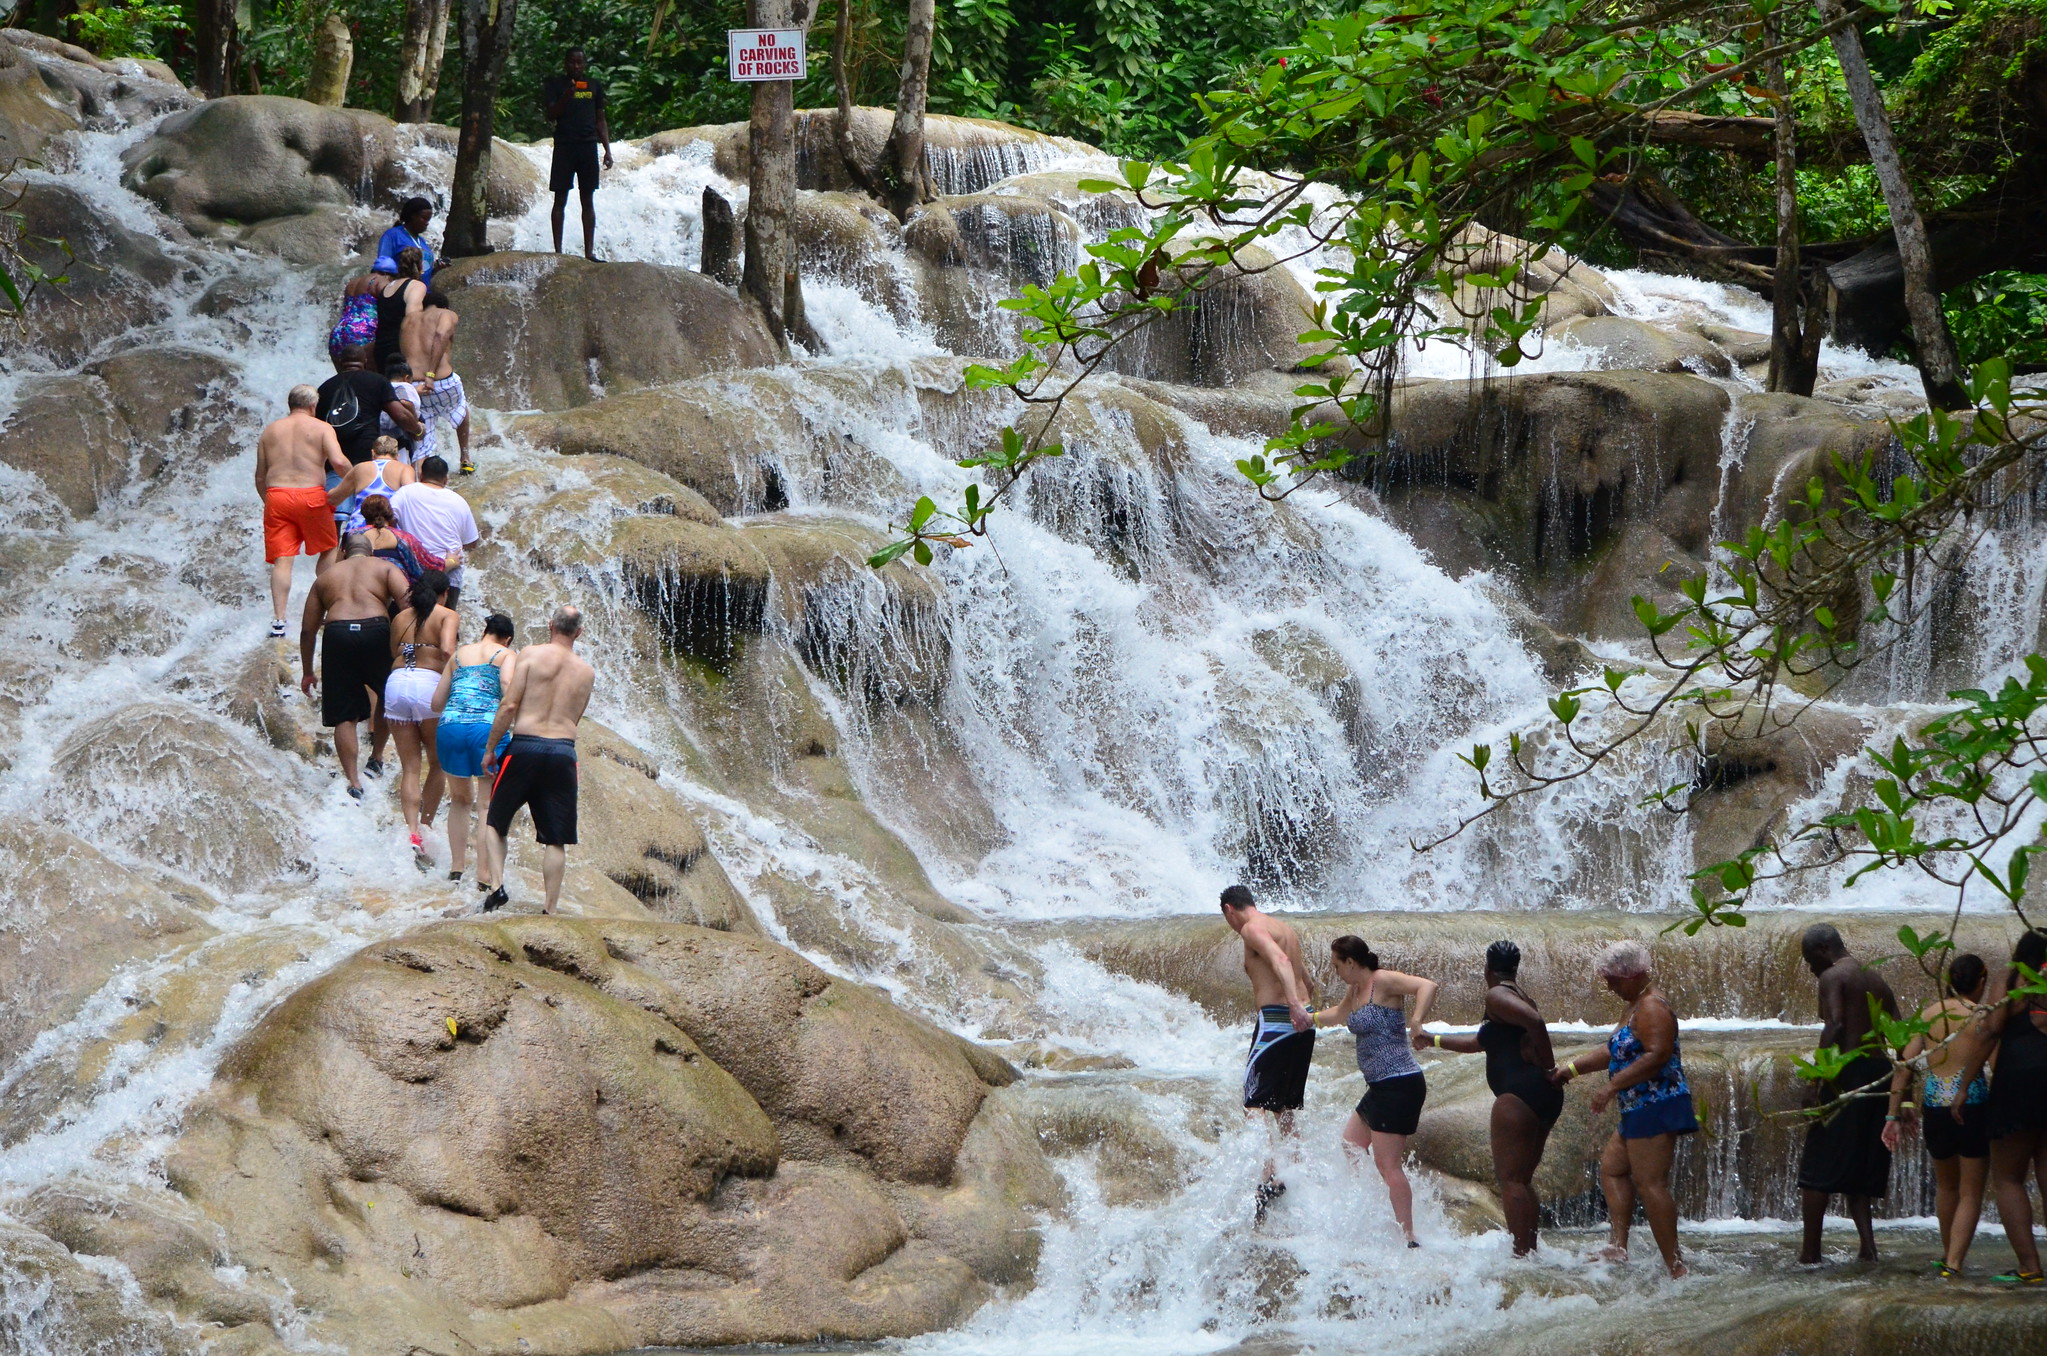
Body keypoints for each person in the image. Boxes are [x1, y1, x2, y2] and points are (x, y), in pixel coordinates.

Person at [1551, 940, 1697, 1278]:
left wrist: (1612, 1086)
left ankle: (1676, 1266)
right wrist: (1571, 1069)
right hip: (1638, 1106)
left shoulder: (1652, 1008)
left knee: (1650, 1184)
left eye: (1613, 979)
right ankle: (1618, 1245)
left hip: (1657, 1104)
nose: (1609, 986)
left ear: (1633, 975)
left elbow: (1657, 1054)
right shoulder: (1634, 1006)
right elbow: (1613, 1050)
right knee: (1613, 1168)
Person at [1418, 940, 1561, 1257]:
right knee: (1521, 1179)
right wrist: (1434, 1039)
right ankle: (1530, 1252)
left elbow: (1536, 1024)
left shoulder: (1496, 995)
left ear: (1487, 968)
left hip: (1519, 1095)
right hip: (1539, 1093)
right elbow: (1482, 1042)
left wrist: (1550, 1067)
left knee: (1510, 1181)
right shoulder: (1519, 997)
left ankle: (1520, 1255)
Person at [1310, 935, 1436, 1246]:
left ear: (1351, 963)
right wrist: (1307, 1018)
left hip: (1399, 1083)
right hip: (1379, 1087)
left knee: (1388, 1165)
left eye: (1337, 965)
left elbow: (1427, 986)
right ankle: (1372, 1206)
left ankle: (1408, 1237)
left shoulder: (1382, 981)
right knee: (1351, 1143)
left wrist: (1416, 1022)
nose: (1336, 971)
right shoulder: (1354, 990)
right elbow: (1339, 1016)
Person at [1884, 952, 1996, 1278]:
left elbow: (1904, 1067)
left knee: (1946, 1187)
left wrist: (1892, 1114)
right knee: (1970, 1191)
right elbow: (1998, 1065)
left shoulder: (1929, 1014)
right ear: (1981, 980)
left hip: (1934, 1104)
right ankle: (1955, 1262)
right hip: (1972, 1103)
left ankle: (1948, 1254)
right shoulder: (1983, 1016)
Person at [1794, 922, 1900, 1265]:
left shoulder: (1833, 976)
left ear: (1825, 949)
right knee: (1858, 1166)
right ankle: (1869, 1249)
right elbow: (1899, 1033)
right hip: (1880, 1073)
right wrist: (1905, 1093)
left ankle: (1810, 1255)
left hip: (1846, 1072)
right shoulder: (1875, 978)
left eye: (1810, 960)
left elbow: (1836, 1024)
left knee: (1816, 1169)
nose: (1811, 969)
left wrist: (1816, 1081)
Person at [481, 604, 594, 914]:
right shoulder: (587, 672)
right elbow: (576, 717)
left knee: (495, 821)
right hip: (562, 751)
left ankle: (497, 887)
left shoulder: (530, 654)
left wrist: (491, 749)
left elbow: (509, 705)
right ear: (579, 632)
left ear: (550, 626)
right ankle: (550, 909)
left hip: (525, 746)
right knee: (556, 839)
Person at [1953, 930, 2047, 1284]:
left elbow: (1990, 1031)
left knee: (2008, 1177)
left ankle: (2030, 1267)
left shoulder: (2011, 980)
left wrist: (1963, 1087)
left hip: (2018, 1081)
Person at [1218, 884, 1315, 1218]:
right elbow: (1303, 974)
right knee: (1283, 1105)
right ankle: (1298, 1169)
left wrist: (1292, 1006)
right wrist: (1306, 1004)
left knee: (1253, 1102)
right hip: (1303, 1020)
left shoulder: (1250, 928)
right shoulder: (1282, 927)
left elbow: (1281, 960)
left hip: (1278, 1020)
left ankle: (1271, 1174)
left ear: (1230, 909)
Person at [299, 534, 409, 799]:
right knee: (387, 696)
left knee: (344, 714)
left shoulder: (326, 577)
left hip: (338, 633)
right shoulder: (385, 567)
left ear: (342, 551)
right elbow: (408, 606)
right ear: (371, 552)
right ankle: (377, 757)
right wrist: (409, 649)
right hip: (376, 630)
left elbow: (307, 630)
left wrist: (307, 671)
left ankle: (353, 781)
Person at [256, 385, 348, 638]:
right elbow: (339, 463)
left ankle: (279, 621)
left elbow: (261, 476)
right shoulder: (322, 428)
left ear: (290, 404)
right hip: (311, 496)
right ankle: (330, 608)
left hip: (277, 497)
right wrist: (355, 480)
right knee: (329, 548)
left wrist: (271, 502)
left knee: (283, 560)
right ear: (313, 406)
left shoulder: (270, 431)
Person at [432, 612, 516, 888]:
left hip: (450, 726)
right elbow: (506, 687)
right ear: (508, 638)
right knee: (486, 805)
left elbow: (436, 702)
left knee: (459, 800)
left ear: (485, 631)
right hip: (486, 730)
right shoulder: (505, 654)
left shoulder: (457, 655)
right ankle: (483, 875)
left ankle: (456, 870)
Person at [386, 569, 458, 868]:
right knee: (438, 763)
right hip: (428, 686)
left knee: (410, 767)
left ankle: (412, 833)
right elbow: (447, 650)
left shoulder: (400, 617)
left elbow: (393, 652)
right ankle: (426, 827)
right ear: (443, 593)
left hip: (398, 683)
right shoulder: (447, 614)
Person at [542, 49, 613, 260]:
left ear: (585, 65)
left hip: (588, 146)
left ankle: (589, 252)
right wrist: (565, 96)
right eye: (572, 62)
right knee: (560, 198)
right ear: (565, 63)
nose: (576, 66)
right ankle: (558, 252)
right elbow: (551, 115)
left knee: (587, 199)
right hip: (564, 146)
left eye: (579, 63)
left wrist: (608, 150)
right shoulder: (555, 85)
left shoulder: (594, 86)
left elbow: (600, 120)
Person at [391, 456, 479, 609]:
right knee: (445, 622)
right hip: (449, 573)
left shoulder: (405, 493)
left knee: (411, 623)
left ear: (421, 475)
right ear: (446, 479)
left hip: (415, 570)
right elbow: (471, 542)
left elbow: (388, 518)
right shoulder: (459, 501)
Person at [318, 350, 423, 467]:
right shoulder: (377, 380)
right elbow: (400, 415)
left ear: (339, 362)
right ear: (365, 361)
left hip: (335, 458)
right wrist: (418, 430)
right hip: (367, 454)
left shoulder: (324, 388)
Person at [406, 291, 473, 473]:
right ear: (444, 306)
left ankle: (419, 475)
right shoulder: (446, 314)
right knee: (461, 408)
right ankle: (465, 457)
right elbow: (441, 335)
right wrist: (430, 374)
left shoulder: (408, 320)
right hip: (441, 382)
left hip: (414, 388)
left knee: (421, 438)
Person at [330, 435, 416, 534]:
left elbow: (334, 498)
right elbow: (411, 499)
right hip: (390, 530)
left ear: (373, 453)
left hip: (359, 528)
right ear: (397, 456)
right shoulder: (404, 469)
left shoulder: (360, 468)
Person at [356, 493, 445, 583]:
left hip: (361, 585)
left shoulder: (352, 535)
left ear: (364, 514)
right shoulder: (405, 538)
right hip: (397, 590)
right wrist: (452, 561)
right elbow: (429, 565)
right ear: (390, 513)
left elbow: (342, 564)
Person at [374, 247, 429, 376]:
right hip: (400, 348)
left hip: (381, 347)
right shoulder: (416, 286)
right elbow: (412, 320)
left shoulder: (388, 286)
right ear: (420, 265)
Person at [329, 262, 392, 363]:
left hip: (338, 332)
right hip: (362, 332)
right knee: (370, 377)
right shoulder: (380, 280)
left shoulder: (352, 283)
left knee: (345, 377)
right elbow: (389, 306)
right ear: (387, 274)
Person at [376, 198, 437, 288]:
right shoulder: (392, 235)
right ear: (413, 216)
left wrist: (437, 269)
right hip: (400, 291)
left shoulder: (422, 241)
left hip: (423, 291)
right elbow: (382, 267)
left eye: (428, 220)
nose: (427, 223)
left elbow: (424, 273)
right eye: (424, 218)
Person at [380, 356, 431, 462]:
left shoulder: (381, 387)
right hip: (400, 440)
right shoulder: (407, 387)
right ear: (407, 378)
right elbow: (406, 403)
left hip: (379, 437)